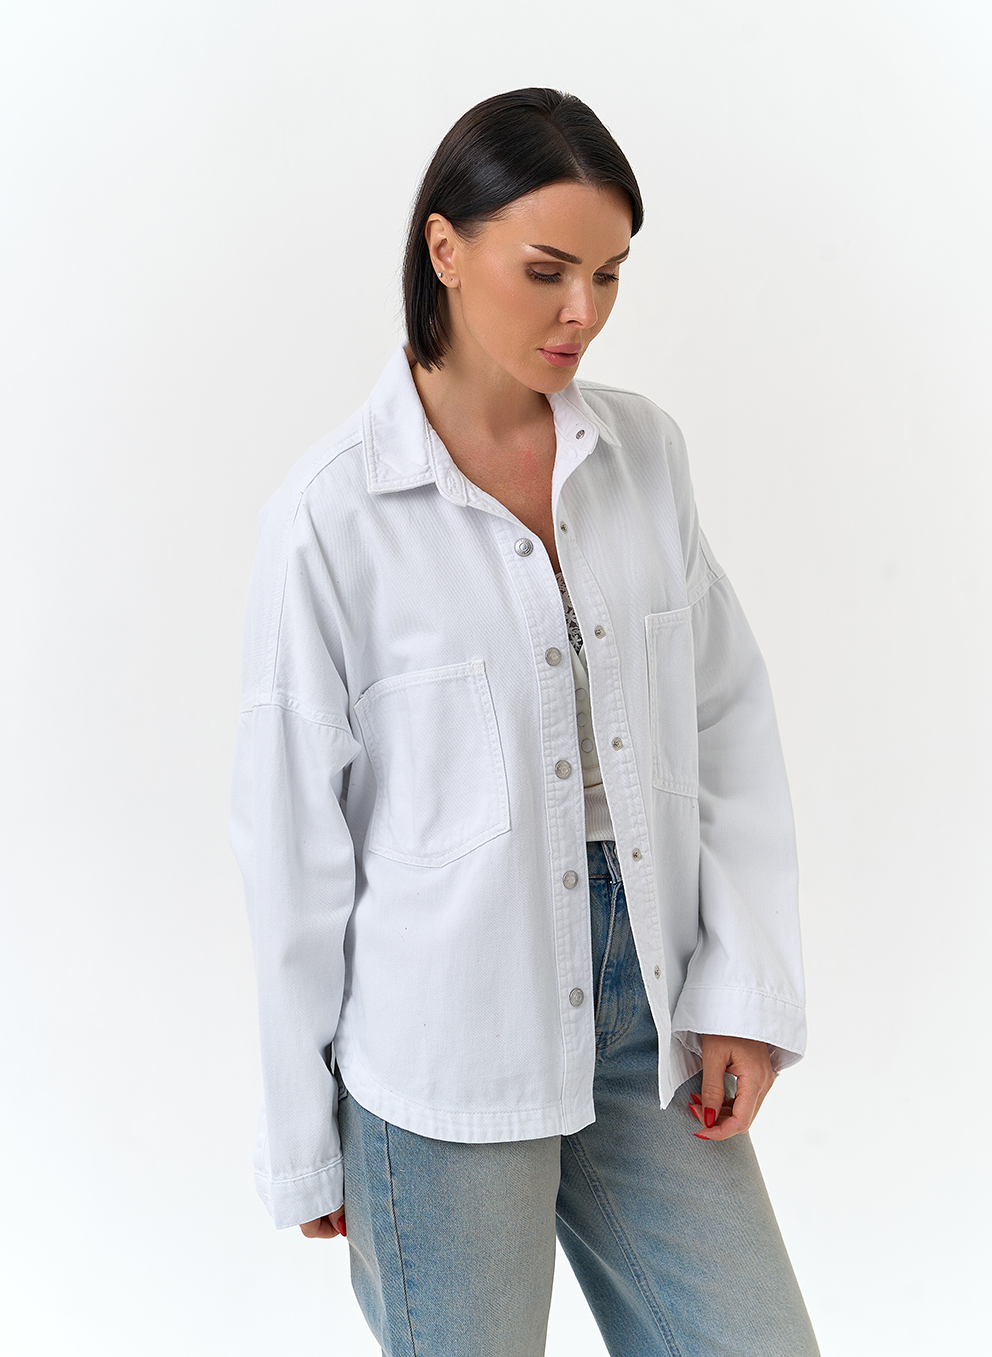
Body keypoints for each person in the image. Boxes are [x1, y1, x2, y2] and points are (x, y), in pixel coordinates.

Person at [231, 87, 820, 1357]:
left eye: (607, 275)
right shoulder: (331, 517)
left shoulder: (643, 455)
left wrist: (743, 986)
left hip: (645, 1008)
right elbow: (288, 844)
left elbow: (723, 715)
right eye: (546, 270)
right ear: (444, 249)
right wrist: (299, 1137)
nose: (580, 313)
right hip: (438, 1051)